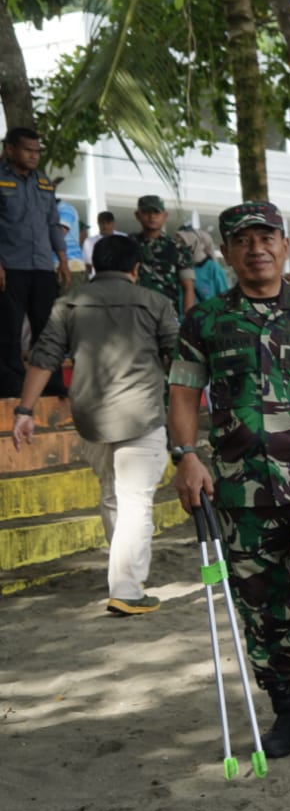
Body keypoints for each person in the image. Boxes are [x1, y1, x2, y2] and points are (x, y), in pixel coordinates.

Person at [167, 201, 290, 759]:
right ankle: (288, 712)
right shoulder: (204, 321)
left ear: (285, 246)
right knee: (262, 605)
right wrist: (186, 455)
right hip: (240, 488)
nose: (257, 248)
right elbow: (183, 394)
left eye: (267, 238)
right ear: (228, 252)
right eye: (243, 240)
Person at [11, 235, 178, 615]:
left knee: (111, 494)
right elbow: (177, 356)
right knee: (136, 502)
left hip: (90, 418)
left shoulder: (68, 303)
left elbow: (44, 357)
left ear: (93, 267)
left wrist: (25, 410)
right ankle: (127, 588)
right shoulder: (155, 302)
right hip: (142, 415)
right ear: (136, 268)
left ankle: (123, 579)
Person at [0, 126, 71, 397]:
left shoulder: (43, 183)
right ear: (10, 149)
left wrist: (62, 261)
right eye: (27, 150)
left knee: (48, 329)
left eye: (37, 151)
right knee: (9, 329)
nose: (33, 156)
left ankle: (51, 384)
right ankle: (9, 385)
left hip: (42, 266)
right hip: (10, 267)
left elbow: (53, 224)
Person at [133, 195, 196, 318]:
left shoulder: (178, 248)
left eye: (157, 212)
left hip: (167, 318)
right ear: (137, 215)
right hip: (134, 316)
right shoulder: (127, 245)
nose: (152, 216)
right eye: (146, 212)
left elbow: (188, 287)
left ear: (165, 216)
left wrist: (188, 321)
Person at [176, 226, 230, 303]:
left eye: (184, 243)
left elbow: (224, 297)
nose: (180, 247)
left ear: (195, 244)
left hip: (207, 313)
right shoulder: (178, 266)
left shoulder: (212, 268)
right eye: (179, 243)